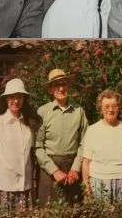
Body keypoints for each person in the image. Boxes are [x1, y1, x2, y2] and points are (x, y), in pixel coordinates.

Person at [0, 78, 41, 213]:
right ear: (6, 99)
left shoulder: (28, 124)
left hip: (24, 188)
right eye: (12, 97)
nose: (16, 101)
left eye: (19, 97)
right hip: (2, 187)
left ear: (24, 99)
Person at [35, 68, 88, 204]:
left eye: (63, 84)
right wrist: (54, 171)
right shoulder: (42, 112)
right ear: (50, 90)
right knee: (49, 210)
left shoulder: (79, 111)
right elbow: (38, 147)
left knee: (73, 209)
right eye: (56, 85)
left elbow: (85, 143)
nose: (61, 88)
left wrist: (76, 169)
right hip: (49, 168)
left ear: (68, 86)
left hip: (72, 167)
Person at [82, 90, 122, 202]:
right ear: (100, 108)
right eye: (106, 106)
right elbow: (86, 162)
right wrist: (86, 186)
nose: (110, 109)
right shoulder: (92, 130)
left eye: (114, 106)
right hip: (98, 183)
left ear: (119, 108)